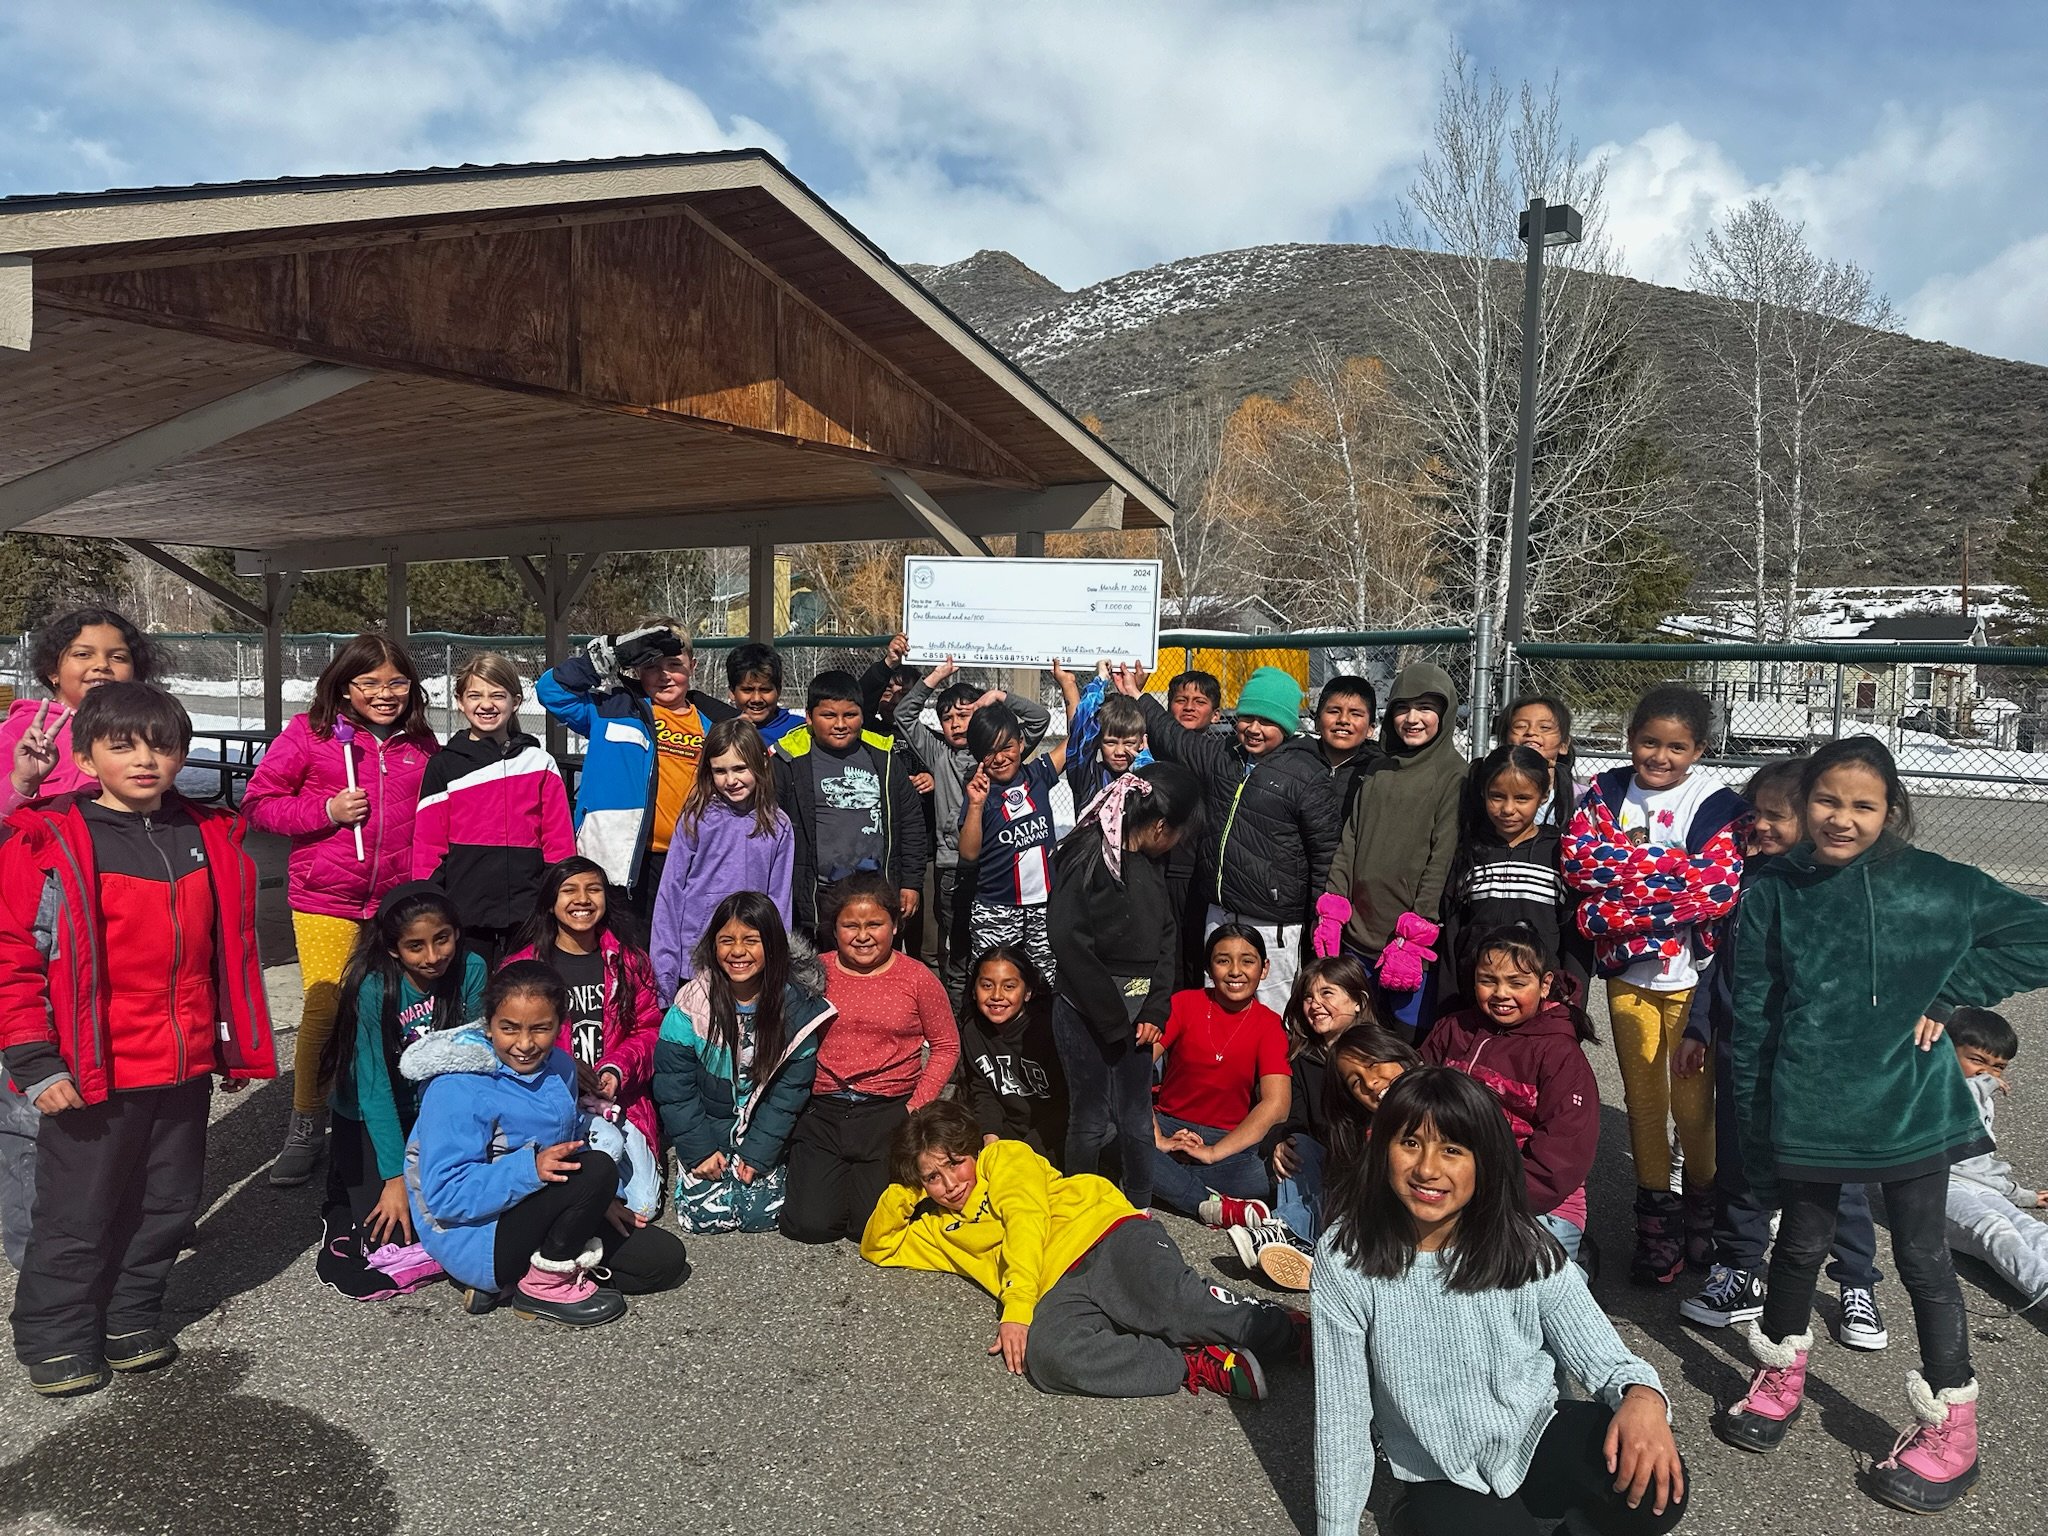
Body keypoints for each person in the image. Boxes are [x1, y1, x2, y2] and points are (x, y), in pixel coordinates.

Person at [1720, 738, 2048, 1514]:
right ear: (1804, 803)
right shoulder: (1772, 888)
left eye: (1863, 805)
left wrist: (1952, 995)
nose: (1842, 818)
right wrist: (1753, 1130)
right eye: (1828, 800)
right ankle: (1779, 1374)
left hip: (1911, 1110)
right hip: (1812, 1105)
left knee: (1925, 1262)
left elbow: (2038, 936)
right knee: (1797, 1246)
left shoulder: (1939, 884)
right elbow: (1755, 1020)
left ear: (1890, 809)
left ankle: (1952, 1425)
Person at [0, 684, 275, 1396]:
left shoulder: (205, 832)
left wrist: (230, 1042)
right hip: (90, 1070)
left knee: (167, 1205)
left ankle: (128, 1317)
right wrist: (33, 1059)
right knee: (78, 1212)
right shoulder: (50, 838)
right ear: (86, 755)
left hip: (180, 1065)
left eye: (162, 745)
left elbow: (231, 949)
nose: (146, 760)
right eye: (123, 745)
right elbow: (12, 958)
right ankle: (55, 1336)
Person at [1314, 1067, 1688, 1536]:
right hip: (1442, 1469)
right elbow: (1342, 1418)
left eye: (1452, 1149)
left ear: (1486, 1160)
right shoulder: (1346, 1256)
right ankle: (1415, 1519)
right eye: (1409, 1143)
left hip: (1532, 1436)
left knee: (1660, 1487)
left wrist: (1645, 1397)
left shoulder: (1524, 1245)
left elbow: (1608, 1360)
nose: (1427, 1168)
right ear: (1381, 1147)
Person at [861, 1099, 1304, 1400]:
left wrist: (1015, 1310)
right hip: (1053, 1287)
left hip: (1104, 1234)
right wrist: (907, 1189)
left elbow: (1026, 1221)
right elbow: (878, 1246)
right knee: (1050, 1359)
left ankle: (1288, 1331)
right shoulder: (939, 1227)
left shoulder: (1003, 1159)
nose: (951, 1183)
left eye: (955, 1163)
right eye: (933, 1177)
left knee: (1174, 1303)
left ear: (971, 1150)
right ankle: (1192, 1361)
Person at [1677, 759, 1887, 1349]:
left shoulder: (1839, 890)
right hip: (1742, 1053)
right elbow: (1719, 962)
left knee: (1830, 1176)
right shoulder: (1747, 880)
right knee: (1741, 1165)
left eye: (1777, 815)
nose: (1760, 826)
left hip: (1814, 1067)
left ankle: (1854, 1281)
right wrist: (1698, 1026)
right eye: (1755, 814)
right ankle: (1741, 1270)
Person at [1561, 684, 1746, 1286]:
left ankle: (1702, 1212)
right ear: (1630, 739)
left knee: (1694, 1112)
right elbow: (1581, 866)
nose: (1660, 757)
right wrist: (1672, 884)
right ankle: (1656, 1223)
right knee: (1645, 1106)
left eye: (1676, 747)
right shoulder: (1606, 792)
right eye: (1648, 742)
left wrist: (1617, 898)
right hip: (1630, 979)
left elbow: (1718, 887)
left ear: (1698, 749)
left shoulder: (1715, 803)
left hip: (1691, 983)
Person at [244, 632, 438, 1190]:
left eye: (396, 682)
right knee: (326, 1004)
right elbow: (259, 803)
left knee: (396, 1011)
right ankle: (306, 1122)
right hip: (325, 896)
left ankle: (394, 1113)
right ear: (345, 686)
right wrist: (324, 810)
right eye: (370, 683)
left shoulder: (420, 745)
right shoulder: (311, 735)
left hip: (396, 901)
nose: (385, 693)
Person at [0, 607, 160, 1269]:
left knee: (118, 1104)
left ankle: (123, 1225)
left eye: (116, 655)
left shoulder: (145, 737)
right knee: (31, 1104)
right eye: (82, 654)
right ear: (51, 668)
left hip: (117, 949)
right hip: (35, 943)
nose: (100, 666)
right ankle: (36, 1242)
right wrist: (21, 785)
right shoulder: (22, 733)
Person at [403, 961, 688, 1325]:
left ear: (559, 1027)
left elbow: (568, 1145)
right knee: (599, 1165)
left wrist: (597, 1201)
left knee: (663, 1261)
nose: (524, 1044)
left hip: (536, 1206)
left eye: (540, 1029)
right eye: (509, 1028)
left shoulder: (561, 1067)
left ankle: (517, 1279)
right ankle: (543, 1285)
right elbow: (445, 1196)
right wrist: (531, 1170)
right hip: (477, 1235)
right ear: (489, 1025)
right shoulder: (458, 1087)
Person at [1125, 662, 1340, 1014]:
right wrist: (1137, 696)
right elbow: (1176, 737)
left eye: (1267, 722)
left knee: (1271, 1011)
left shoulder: (1306, 774)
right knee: (1218, 1006)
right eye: (1246, 718)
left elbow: (1325, 852)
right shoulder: (1225, 757)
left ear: (1286, 725)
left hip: (1273, 923)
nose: (1254, 729)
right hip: (1220, 913)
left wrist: (1321, 917)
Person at [1047, 763, 1201, 1212]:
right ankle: (1078, 1207)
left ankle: (1137, 1208)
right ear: (1158, 826)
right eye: (1178, 834)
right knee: (1090, 1119)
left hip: (1140, 1021)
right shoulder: (1085, 858)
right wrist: (1114, 1019)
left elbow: (1166, 939)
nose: (1177, 844)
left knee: (1136, 1119)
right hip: (1084, 1011)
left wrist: (1155, 1012)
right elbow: (1070, 943)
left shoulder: (1153, 863)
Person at [780, 874, 958, 1244]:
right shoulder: (815, 973)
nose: (863, 935)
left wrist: (914, 1107)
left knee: (870, 1228)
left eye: (874, 924)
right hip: (823, 1110)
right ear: (834, 929)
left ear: (894, 926)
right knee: (810, 1226)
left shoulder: (917, 978)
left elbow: (946, 1046)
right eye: (851, 925)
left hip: (888, 1112)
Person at [654, 891, 836, 1234]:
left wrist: (759, 1152)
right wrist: (699, 1150)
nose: (738, 952)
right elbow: (674, 1087)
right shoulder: (692, 1004)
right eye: (727, 941)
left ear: (772, 946)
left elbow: (789, 1092)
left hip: (761, 1133)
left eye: (751, 940)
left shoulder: (795, 1006)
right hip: (708, 1130)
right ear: (713, 946)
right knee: (704, 1220)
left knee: (760, 1217)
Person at [322, 884, 486, 1261]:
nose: (434, 956)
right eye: (416, 947)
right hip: (370, 1111)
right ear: (394, 949)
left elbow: (474, 1056)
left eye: (442, 939)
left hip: (433, 1108)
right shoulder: (373, 987)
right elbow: (374, 1089)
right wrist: (395, 1178)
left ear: (456, 933)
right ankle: (345, 1174)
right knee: (393, 1238)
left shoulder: (472, 967)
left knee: (454, 1216)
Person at [1423, 927, 1601, 1265]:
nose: (1501, 993)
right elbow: (1415, 1100)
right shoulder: (1452, 1029)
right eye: (1487, 980)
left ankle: (1575, 1264)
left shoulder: (1560, 1054)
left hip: (1536, 1200)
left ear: (1544, 984)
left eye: (1517, 983)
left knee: (1529, 1292)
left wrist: (1491, 1198)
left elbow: (1563, 1154)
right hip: (1452, 1184)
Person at [537, 621, 734, 920]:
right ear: (637, 669)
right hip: (617, 864)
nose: (665, 675)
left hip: (688, 862)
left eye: (674, 664)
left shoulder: (716, 726)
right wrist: (612, 654)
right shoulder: (611, 708)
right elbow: (551, 691)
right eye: (652, 665)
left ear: (692, 666)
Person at [1317, 662, 1467, 1038]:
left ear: (1445, 713)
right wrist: (1334, 905)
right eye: (1402, 707)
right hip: (1357, 932)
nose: (1413, 718)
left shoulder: (1454, 774)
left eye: (1426, 708)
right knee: (1351, 1036)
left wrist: (1418, 929)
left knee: (1403, 1042)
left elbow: (1442, 855)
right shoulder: (1379, 768)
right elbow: (1351, 837)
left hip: (1406, 943)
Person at [892, 659, 1051, 997]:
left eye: (964, 715)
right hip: (954, 867)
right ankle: (955, 1016)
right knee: (960, 948)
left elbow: (1039, 720)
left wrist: (1000, 697)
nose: (955, 724)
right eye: (947, 718)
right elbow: (904, 714)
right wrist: (936, 677)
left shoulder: (999, 756)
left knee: (1003, 954)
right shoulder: (938, 753)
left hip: (1001, 874)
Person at [411, 651, 574, 966]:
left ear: (515, 701)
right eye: (475, 695)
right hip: (465, 912)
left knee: (524, 996)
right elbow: (427, 845)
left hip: (529, 913)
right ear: (460, 701)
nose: (486, 704)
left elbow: (558, 840)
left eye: (497, 695)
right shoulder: (444, 765)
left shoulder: (540, 763)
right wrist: (429, 900)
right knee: (470, 999)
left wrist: (557, 895)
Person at [1227, 955, 1374, 1291]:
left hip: (1363, 1169)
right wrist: (1278, 1140)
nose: (1315, 1005)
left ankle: (1286, 1233)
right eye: (1308, 997)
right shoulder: (1302, 1055)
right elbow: (1292, 1118)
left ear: (1358, 1001)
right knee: (1296, 1145)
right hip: (1317, 1166)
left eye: (1327, 994)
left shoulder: (1377, 1053)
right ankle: (1295, 1239)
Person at [502, 857, 664, 1160]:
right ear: (550, 903)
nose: (582, 899)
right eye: (569, 890)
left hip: (620, 1102)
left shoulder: (630, 961)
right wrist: (562, 1066)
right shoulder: (521, 969)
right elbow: (505, 1044)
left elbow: (650, 1030)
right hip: (546, 1104)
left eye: (593, 889)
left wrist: (617, 1070)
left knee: (644, 1203)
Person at [1151, 924, 1292, 1226]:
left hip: (1230, 1141)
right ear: (1209, 967)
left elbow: (1276, 1105)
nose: (1235, 971)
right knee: (1111, 1131)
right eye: (1223, 960)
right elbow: (1132, 1070)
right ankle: (1206, 1203)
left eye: (1248, 961)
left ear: (1264, 968)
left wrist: (1212, 1152)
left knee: (1277, 1172)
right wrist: (1159, 1139)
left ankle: (1166, 1181)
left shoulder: (1270, 1025)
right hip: (1166, 1124)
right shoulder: (1184, 1003)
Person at [773, 670, 928, 939]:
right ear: (809, 717)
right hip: (815, 894)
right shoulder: (789, 760)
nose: (840, 724)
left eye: (850, 715)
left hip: (875, 890)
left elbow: (911, 822)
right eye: (829, 715)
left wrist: (912, 883)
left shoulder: (884, 758)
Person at [648, 717, 795, 999]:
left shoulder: (778, 825)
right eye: (720, 771)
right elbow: (670, 895)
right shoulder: (696, 818)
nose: (731, 780)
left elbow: (780, 904)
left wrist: (776, 969)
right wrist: (664, 975)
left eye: (740, 768)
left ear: (762, 764)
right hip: (695, 964)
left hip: (750, 962)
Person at [957, 663, 1080, 982]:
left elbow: (1077, 737)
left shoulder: (1037, 774)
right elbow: (969, 855)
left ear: (1021, 744)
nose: (999, 758)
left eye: (1006, 747)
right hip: (996, 909)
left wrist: (1066, 685)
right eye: (989, 752)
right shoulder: (981, 792)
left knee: (1047, 981)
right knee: (991, 980)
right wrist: (975, 806)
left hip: (1043, 906)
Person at [1439, 744, 1588, 1010]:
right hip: (1476, 996)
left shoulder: (1561, 853)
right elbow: (1452, 931)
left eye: (1521, 798)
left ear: (1543, 796)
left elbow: (1573, 937)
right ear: (1483, 793)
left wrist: (1571, 1005)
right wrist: (1448, 1005)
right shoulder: (1470, 851)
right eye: (1497, 796)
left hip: (1540, 1001)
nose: (1508, 809)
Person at [1941, 1007, 2048, 1311]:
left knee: (2031, 1229)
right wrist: (1982, 1084)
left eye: (1998, 1067)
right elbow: (1956, 1098)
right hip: (1936, 1188)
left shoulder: (1982, 1094)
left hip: (1980, 1187)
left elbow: (1982, 1165)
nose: (1987, 1072)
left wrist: (2023, 1196)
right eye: (1976, 1060)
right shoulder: (1929, 1086)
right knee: (1995, 1229)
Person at [955, 944, 1067, 1162]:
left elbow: (1066, 1106)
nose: (996, 995)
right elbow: (983, 1090)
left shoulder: (1050, 1030)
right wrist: (990, 1136)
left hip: (1053, 1133)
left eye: (1009, 987)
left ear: (1027, 992)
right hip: (1007, 1131)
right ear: (973, 989)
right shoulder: (972, 1031)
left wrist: (1026, 1151)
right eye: (987, 985)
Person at [1160, 669, 1222, 988]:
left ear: (1215, 714)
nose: (1189, 707)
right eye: (1181, 700)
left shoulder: (1220, 759)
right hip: (1165, 870)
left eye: (1199, 701)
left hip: (1202, 874)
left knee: (1199, 953)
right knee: (1167, 952)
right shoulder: (1155, 751)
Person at [1064, 666, 1150, 806]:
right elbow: (1080, 729)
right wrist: (1100, 681)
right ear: (1098, 741)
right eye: (1111, 743)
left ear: (1141, 743)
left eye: (1129, 743)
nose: (1120, 752)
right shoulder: (1088, 777)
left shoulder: (1143, 780)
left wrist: (1149, 772)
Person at [1498, 693, 1581, 829]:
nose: (1531, 732)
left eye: (1544, 727)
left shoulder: (1579, 798)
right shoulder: (1487, 789)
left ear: (1564, 744)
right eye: (1520, 726)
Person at [1310, 675, 1380, 828]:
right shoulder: (1299, 762)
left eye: (1355, 714)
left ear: (1370, 729)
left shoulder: (1378, 772)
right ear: (1317, 722)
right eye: (1334, 711)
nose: (1343, 720)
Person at [726, 642, 805, 748]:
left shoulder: (799, 731)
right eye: (747, 690)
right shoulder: (722, 733)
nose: (756, 699)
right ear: (732, 692)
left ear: (778, 691)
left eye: (765, 690)